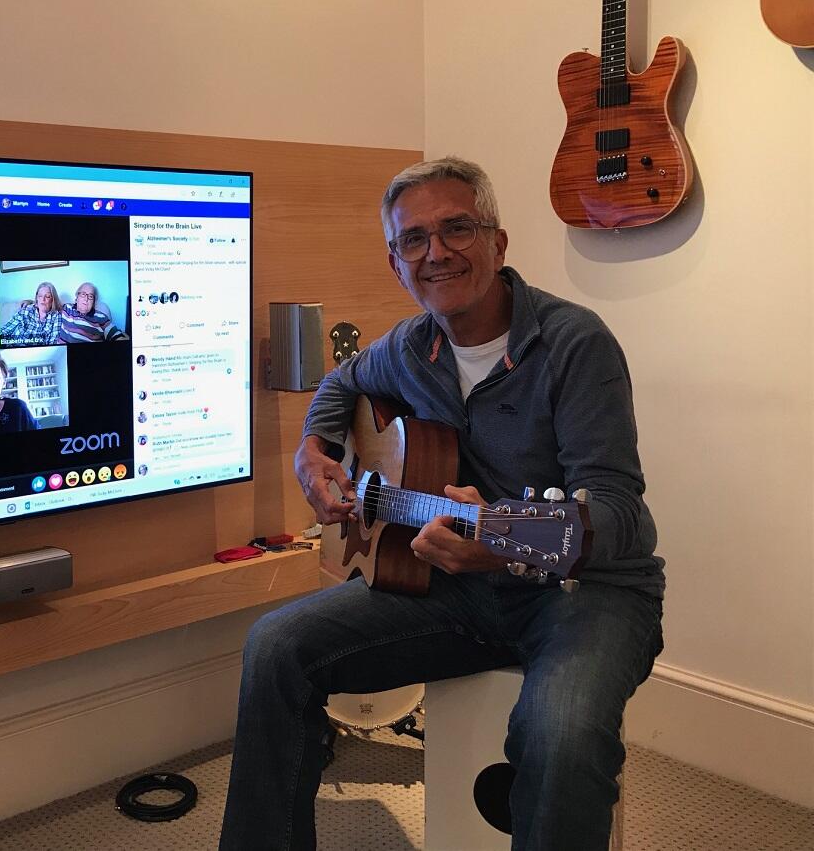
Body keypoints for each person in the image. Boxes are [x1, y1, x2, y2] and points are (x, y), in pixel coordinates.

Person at [219, 158, 665, 851]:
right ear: (396, 262)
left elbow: (620, 514)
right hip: (456, 590)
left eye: (458, 228)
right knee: (276, 646)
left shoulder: (575, 343)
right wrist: (315, 449)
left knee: (561, 733)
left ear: (498, 242)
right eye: (414, 239)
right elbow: (341, 381)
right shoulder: (409, 346)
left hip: (586, 594)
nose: (437, 252)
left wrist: (502, 539)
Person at [59, 282, 128, 342]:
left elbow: (116, 335)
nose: (86, 299)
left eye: (90, 296)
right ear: (77, 297)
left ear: (93, 302)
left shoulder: (101, 317)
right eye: (83, 294)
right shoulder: (66, 308)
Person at [0, 281, 62, 346]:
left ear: (53, 300)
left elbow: (53, 345)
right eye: (40, 296)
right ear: (37, 298)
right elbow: (4, 331)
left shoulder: (56, 316)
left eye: (47, 296)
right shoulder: (27, 310)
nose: (43, 299)